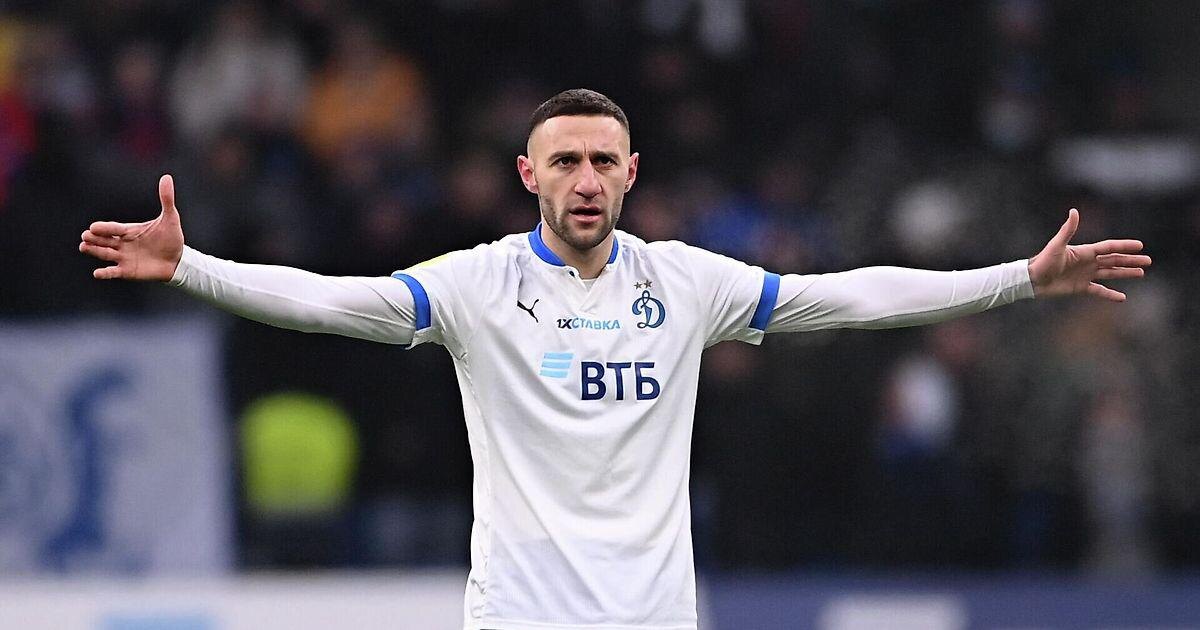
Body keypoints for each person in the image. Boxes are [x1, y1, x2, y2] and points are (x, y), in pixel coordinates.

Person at [79, 89, 1150, 630]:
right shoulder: (478, 284)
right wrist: (193, 268)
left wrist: (1018, 278)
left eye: (602, 160)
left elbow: (854, 295)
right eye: (564, 162)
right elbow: (332, 302)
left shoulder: (686, 283)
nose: (585, 180)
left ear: (632, 172)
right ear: (528, 175)